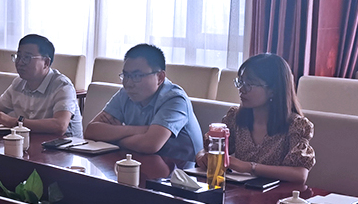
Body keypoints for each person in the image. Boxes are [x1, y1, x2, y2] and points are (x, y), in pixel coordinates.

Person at [196, 53, 314, 184]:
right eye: (241, 82)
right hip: (240, 191)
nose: (242, 89)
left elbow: (300, 174)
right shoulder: (235, 117)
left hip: (277, 194)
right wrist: (202, 157)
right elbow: (210, 150)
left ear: (273, 90)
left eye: (249, 84)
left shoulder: (296, 125)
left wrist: (249, 167)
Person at [85, 44, 202, 161]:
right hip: (140, 161)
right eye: (126, 75)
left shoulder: (175, 100)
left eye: (137, 76)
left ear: (160, 77)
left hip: (179, 169)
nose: (129, 83)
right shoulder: (125, 93)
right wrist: (141, 130)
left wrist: (112, 136)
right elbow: (91, 131)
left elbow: (150, 145)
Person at [0, 34, 83, 137]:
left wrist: (15, 122)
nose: (20, 63)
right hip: (32, 144)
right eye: (19, 57)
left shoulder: (62, 86)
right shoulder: (19, 83)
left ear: (46, 63)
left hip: (65, 147)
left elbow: (60, 126)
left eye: (27, 58)